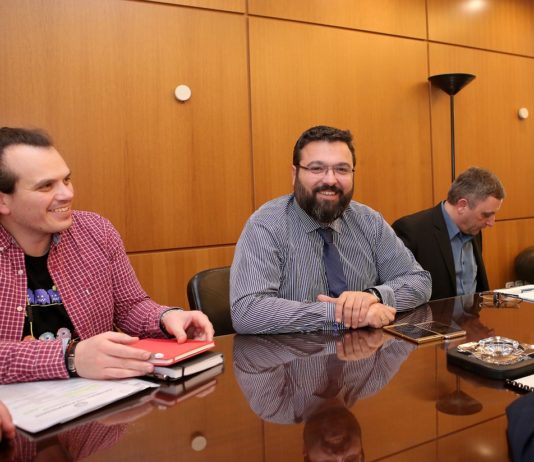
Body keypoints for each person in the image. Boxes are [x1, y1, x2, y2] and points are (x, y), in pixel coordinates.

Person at [0, 127, 214, 384]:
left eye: (66, 180)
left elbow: (129, 307)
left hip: (97, 396)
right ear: (3, 201)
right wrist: (70, 357)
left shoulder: (96, 231)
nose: (67, 194)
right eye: (46, 186)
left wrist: (166, 318)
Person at [231, 125, 431, 334]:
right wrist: (340, 314)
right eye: (317, 168)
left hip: (366, 350)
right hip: (295, 353)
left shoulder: (369, 222)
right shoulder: (266, 225)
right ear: (295, 174)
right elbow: (248, 311)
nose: (330, 180)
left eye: (342, 169)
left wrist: (373, 296)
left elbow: (420, 281)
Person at [392, 167, 505, 300]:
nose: (491, 223)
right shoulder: (411, 231)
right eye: (486, 215)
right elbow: (398, 292)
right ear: (462, 205)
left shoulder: (474, 228)